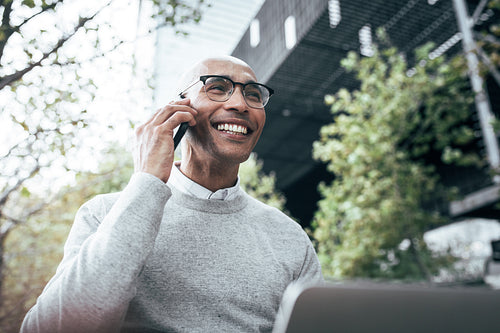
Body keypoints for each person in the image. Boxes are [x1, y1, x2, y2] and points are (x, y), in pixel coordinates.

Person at [21, 55, 323, 333]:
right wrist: (147, 182)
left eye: (253, 94)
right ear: (179, 109)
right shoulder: (103, 213)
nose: (240, 104)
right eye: (218, 88)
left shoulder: (289, 238)